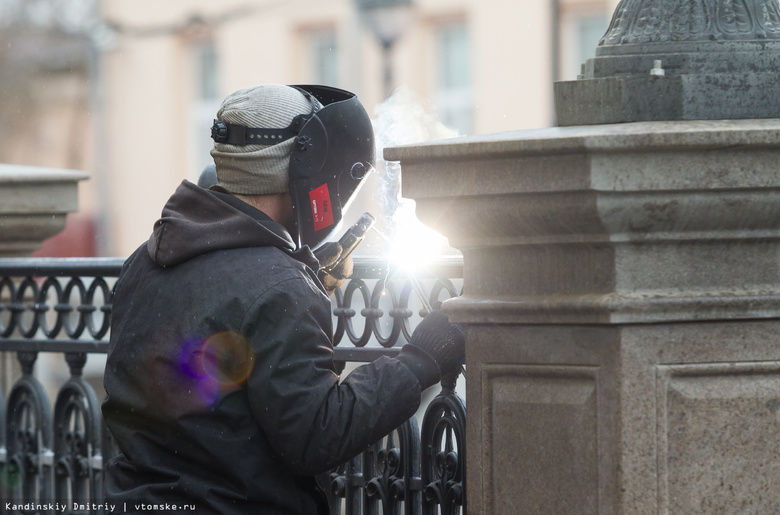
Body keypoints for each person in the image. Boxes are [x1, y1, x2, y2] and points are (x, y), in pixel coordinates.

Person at [101, 84, 465, 514]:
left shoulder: (142, 262)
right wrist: (418, 362)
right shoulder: (275, 287)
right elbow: (315, 436)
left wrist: (305, 279)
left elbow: (217, 335)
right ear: (303, 165)